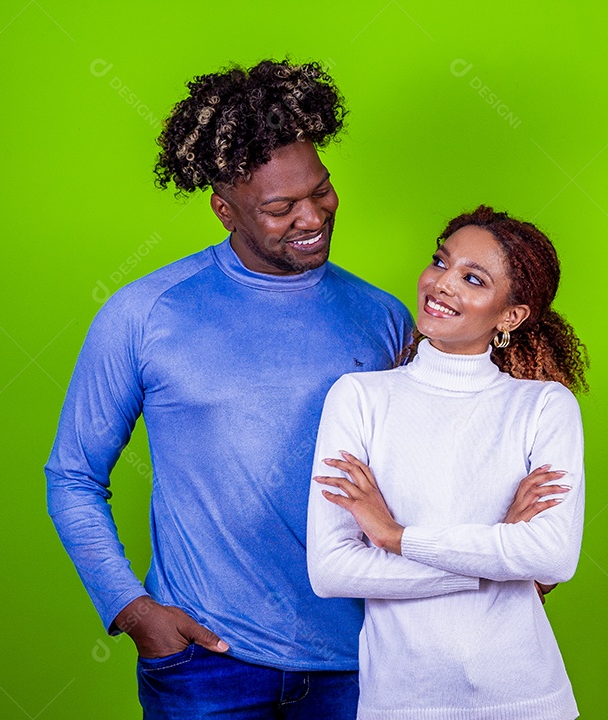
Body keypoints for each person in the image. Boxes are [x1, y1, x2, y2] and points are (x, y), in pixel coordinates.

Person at [44, 59, 418, 719]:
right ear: (224, 210)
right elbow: (73, 475)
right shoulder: (145, 313)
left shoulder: (383, 315)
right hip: (206, 666)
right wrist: (133, 610)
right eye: (280, 208)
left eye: (322, 190)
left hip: (363, 660)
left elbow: (421, 474)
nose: (313, 216)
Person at [307, 205, 590, 719]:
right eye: (441, 262)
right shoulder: (359, 397)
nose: (442, 284)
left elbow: (552, 559)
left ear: (510, 316)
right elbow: (332, 570)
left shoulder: (544, 406)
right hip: (400, 701)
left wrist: (395, 537)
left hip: (525, 698)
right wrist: (496, 559)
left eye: (473, 279)